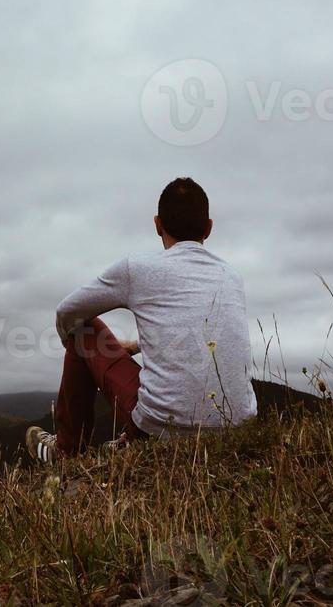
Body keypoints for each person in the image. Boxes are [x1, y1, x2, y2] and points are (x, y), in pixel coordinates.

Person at [26, 178, 256, 463]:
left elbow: (66, 312)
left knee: (83, 328)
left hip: (160, 431)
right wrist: (136, 346)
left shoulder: (137, 269)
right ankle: (119, 444)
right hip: (235, 429)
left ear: (158, 224)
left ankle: (65, 451)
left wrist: (74, 346)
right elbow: (200, 336)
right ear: (209, 227)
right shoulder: (232, 276)